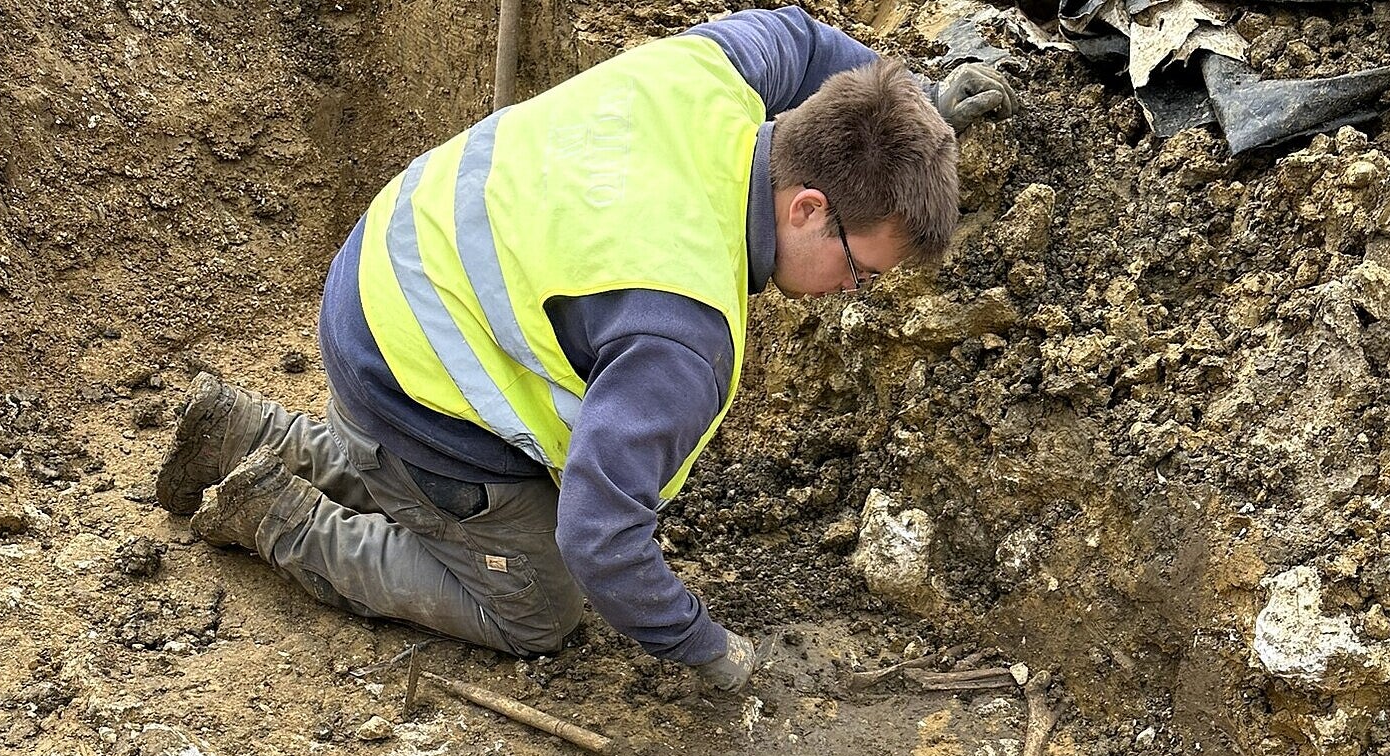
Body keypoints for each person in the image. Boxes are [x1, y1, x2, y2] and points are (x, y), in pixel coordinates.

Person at [155, 6, 1018, 691]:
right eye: (859, 271)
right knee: (538, 606)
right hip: (404, 367)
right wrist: (701, 645)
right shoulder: (684, 332)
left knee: (509, 499)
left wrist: (919, 108)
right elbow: (601, 537)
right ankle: (280, 517)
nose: (848, 296)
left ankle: (251, 432)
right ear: (805, 209)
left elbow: (798, 37)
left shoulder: (716, 75)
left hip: (390, 250)